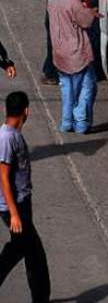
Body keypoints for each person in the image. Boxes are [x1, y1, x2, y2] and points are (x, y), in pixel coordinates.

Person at [0, 91, 50, 303]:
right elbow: (3, 176)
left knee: (32, 252)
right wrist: (14, 214)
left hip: (21, 203)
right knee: (24, 250)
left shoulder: (10, 134)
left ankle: (40, 298)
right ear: (26, 111)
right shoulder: (7, 138)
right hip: (15, 206)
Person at [47, 0, 100, 134]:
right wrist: (91, 12)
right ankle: (81, 123)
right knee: (86, 87)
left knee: (67, 89)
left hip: (59, 52)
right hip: (76, 53)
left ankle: (66, 122)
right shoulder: (73, 2)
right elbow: (84, 22)